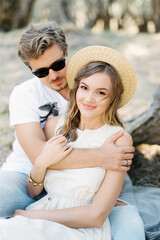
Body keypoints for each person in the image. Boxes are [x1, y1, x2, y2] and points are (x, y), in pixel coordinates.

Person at [0, 46, 145, 240]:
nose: (89, 99)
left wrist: (32, 216)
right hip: (41, 209)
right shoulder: (54, 126)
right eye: (84, 88)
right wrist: (42, 163)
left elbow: (96, 216)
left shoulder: (118, 139)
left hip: (80, 227)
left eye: (101, 93)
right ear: (76, 88)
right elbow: (34, 191)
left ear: (113, 98)